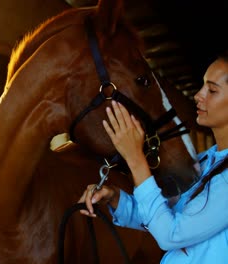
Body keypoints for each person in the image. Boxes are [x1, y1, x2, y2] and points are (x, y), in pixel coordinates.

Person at [78, 50, 228, 263]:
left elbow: (171, 235)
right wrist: (117, 199)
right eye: (203, 85)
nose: (198, 95)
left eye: (212, 90)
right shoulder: (207, 161)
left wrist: (135, 158)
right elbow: (164, 218)